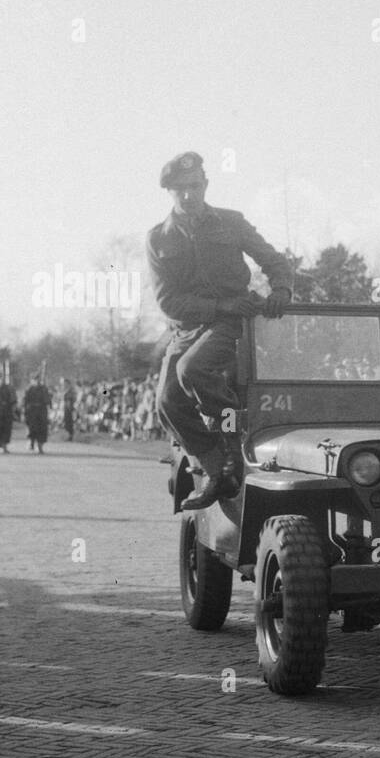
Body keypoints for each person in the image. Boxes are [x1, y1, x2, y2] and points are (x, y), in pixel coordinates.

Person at [146, 150, 294, 510]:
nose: (188, 195)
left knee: (192, 370)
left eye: (194, 186)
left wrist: (282, 290)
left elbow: (274, 260)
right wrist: (219, 305)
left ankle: (232, 442)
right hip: (187, 328)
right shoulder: (158, 239)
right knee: (166, 402)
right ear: (169, 192)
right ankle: (216, 469)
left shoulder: (231, 222)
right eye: (180, 189)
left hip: (230, 324)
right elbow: (168, 302)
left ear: (206, 185)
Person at [23, 374, 52, 453]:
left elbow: (48, 400)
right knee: (32, 428)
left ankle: (40, 446)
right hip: (32, 411)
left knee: (42, 429)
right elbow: (25, 401)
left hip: (41, 411)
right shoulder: (29, 389)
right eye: (35, 379)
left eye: (38, 379)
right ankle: (31, 443)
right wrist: (25, 412)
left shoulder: (43, 388)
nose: (37, 381)